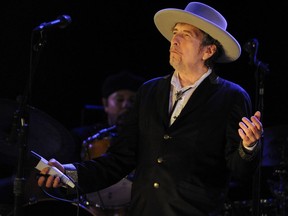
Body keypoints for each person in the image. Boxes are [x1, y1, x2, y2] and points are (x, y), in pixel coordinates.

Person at [37, 2, 264, 216]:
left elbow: (240, 170)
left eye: (186, 35)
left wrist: (248, 146)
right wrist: (70, 172)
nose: (174, 40)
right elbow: (119, 159)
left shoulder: (231, 97)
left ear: (208, 51)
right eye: (175, 32)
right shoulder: (149, 91)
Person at [70, 71, 146, 161]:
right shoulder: (81, 136)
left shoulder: (147, 137)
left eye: (133, 100)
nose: (126, 105)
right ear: (105, 104)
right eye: (120, 99)